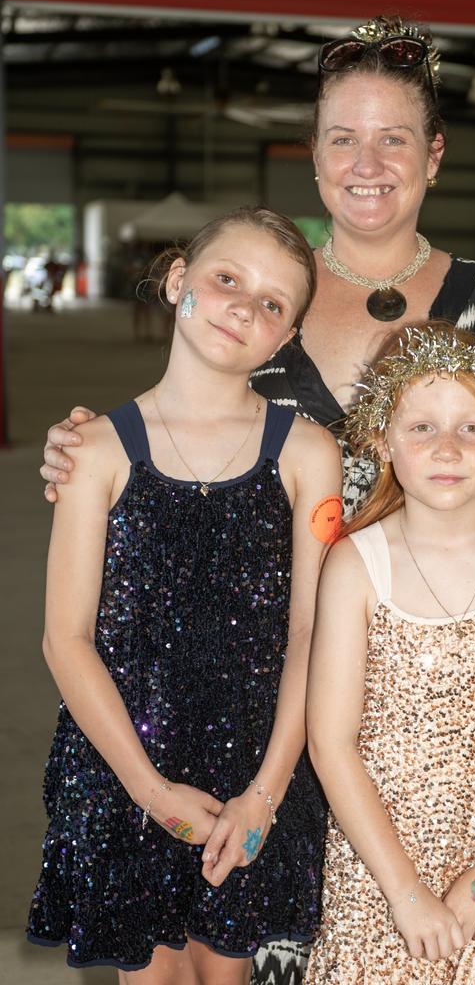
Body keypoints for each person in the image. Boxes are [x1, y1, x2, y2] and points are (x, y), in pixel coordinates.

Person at [40, 15, 475, 629]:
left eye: (393, 139)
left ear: (433, 155)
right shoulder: (268, 295)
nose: (365, 163)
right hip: (269, 643)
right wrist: (92, 448)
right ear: (314, 154)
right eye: (342, 139)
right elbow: (181, 423)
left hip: (444, 629)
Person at [26, 207, 342, 984]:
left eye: (273, 304)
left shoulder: (307, 453)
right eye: (226, 279)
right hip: (125, 764)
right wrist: (150, 792)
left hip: (257, 769)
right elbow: (64, 639)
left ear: (287, 337)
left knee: (224, 973)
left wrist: (265, 794)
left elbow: (311, 635)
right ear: (178, 283)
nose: (244, 306)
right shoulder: (96, 449)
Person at [305, 323, 475, 983]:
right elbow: (331, 741)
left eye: (472, 429)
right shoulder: (353, 566)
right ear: (382, 441)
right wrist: (403, 891)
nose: (448, 449)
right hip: (379, 872)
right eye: (422, 428)